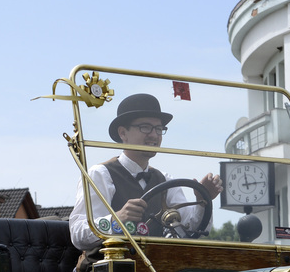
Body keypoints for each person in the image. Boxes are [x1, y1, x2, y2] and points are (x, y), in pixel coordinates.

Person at [69, 93, 222, 253]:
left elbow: (190, 231)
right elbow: (78, 234)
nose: (154, 135)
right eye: (145, 127)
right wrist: (116, 220)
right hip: (110, 271)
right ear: (123, 133)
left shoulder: (165, 180)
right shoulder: (100, 174)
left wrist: (203, 200)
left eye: (159, 129)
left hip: (159, 270)